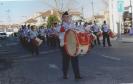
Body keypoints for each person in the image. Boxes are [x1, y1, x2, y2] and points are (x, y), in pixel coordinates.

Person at [56, 11, 82, 79]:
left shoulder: (72, 24)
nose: (67, 18)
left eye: (68, 17)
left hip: (73, 44)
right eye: (65, 17)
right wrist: (62, 31)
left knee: (75, 59)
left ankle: (77, 75)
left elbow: (77, 30)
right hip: (65, 45)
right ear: (62, 18)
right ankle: (65, 74)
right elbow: (57, 32)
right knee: (66, 60)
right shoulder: (60, 25)